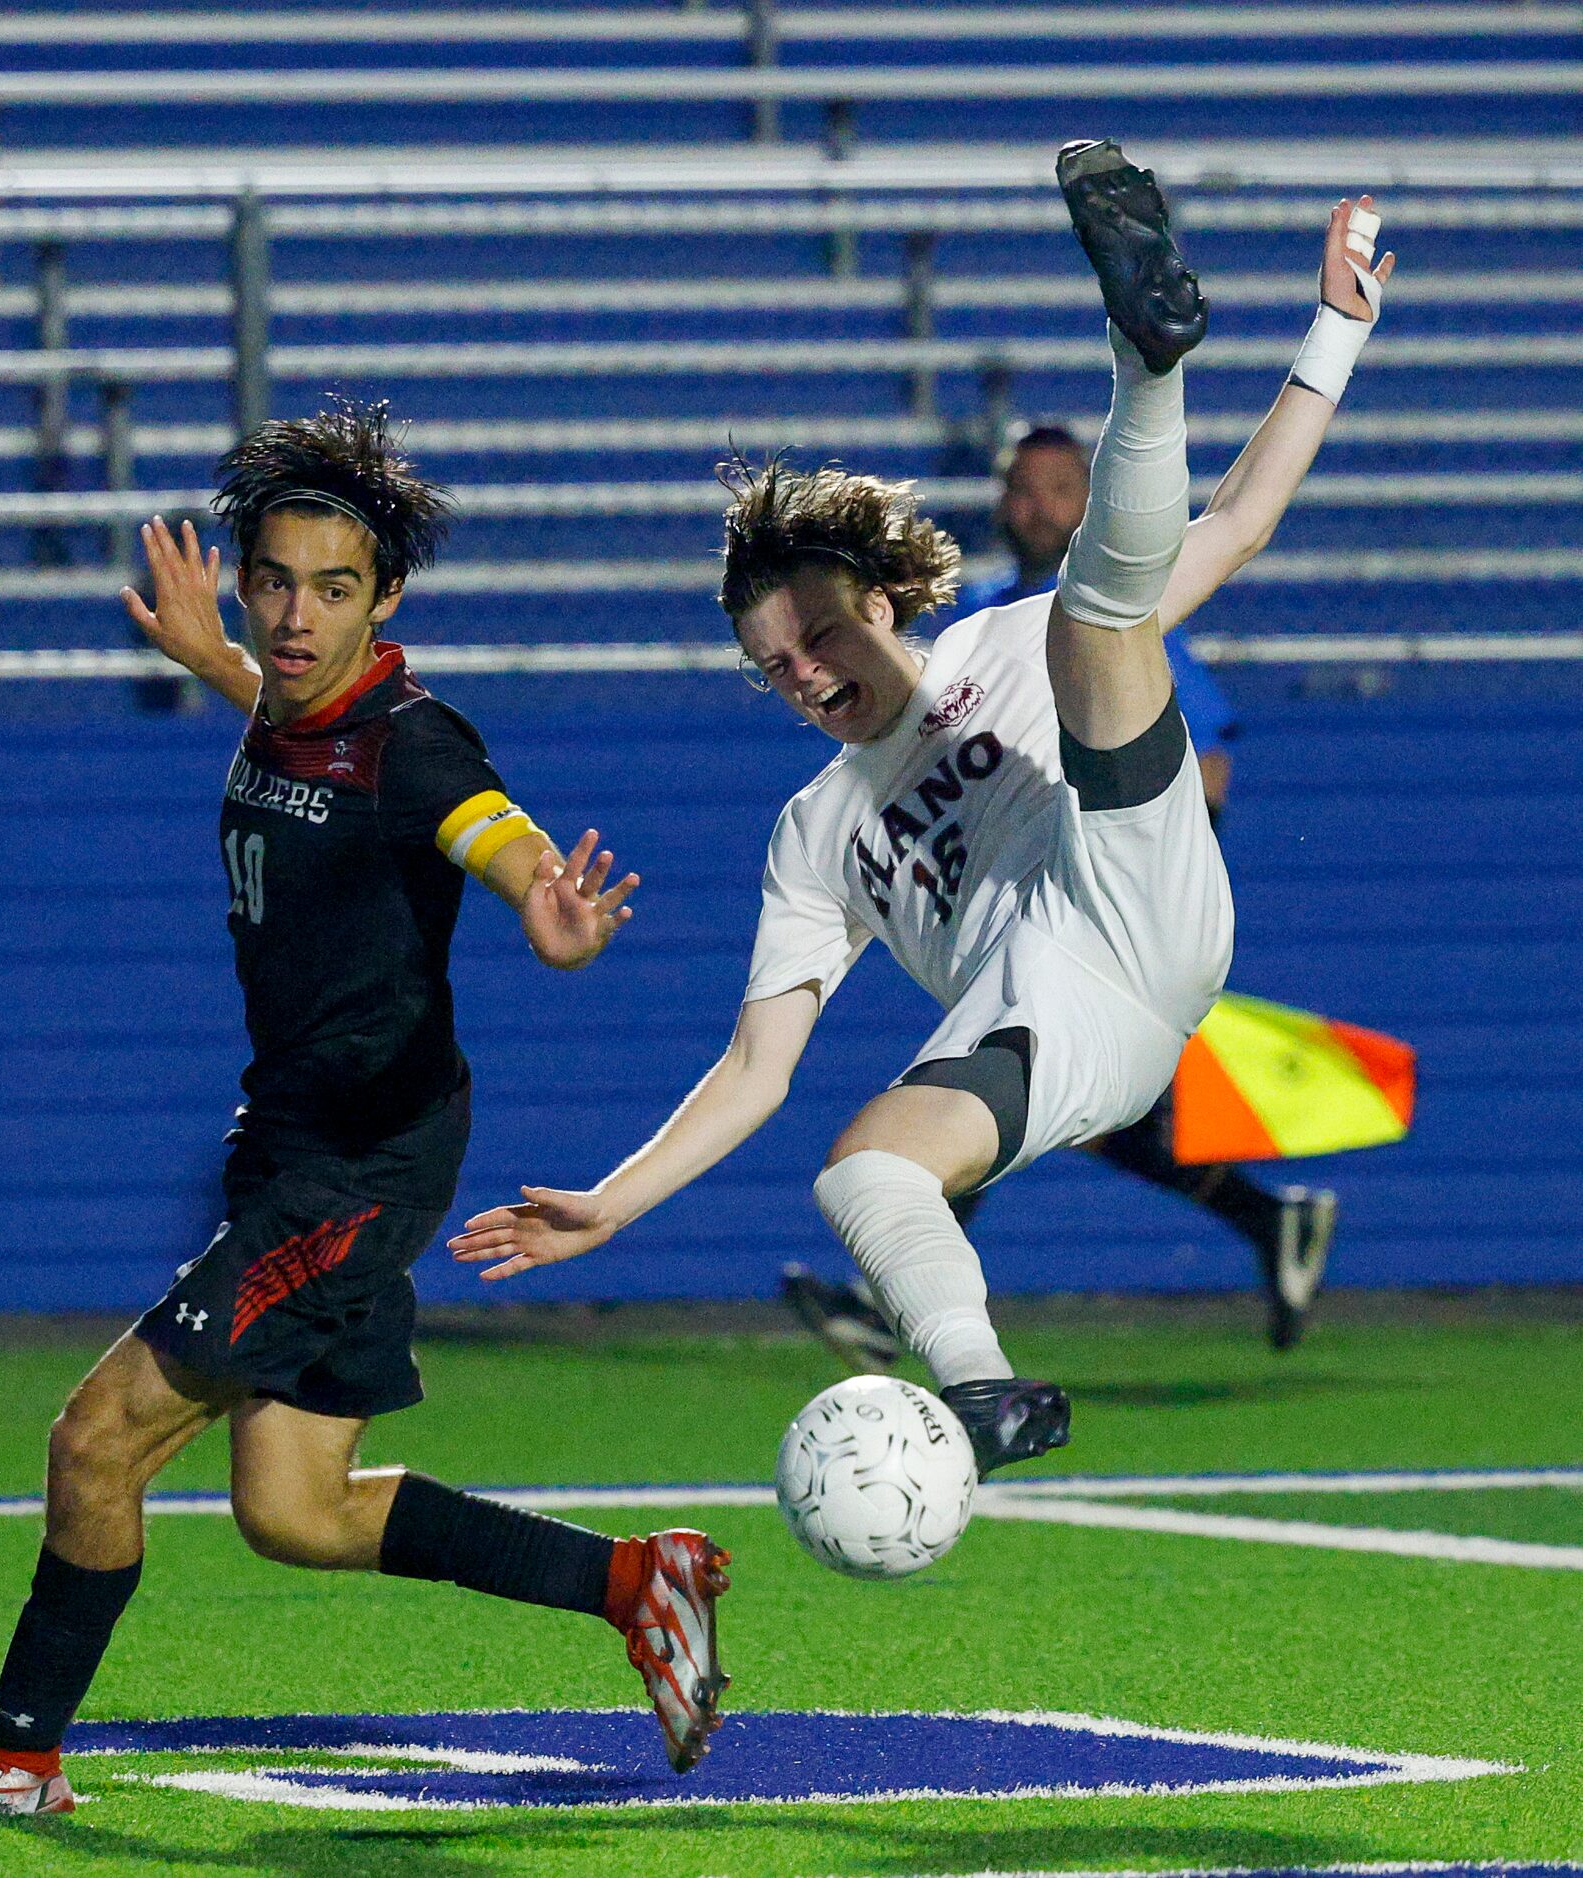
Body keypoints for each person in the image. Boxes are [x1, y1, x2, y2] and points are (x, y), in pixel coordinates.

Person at [449, 148, 1394, 1479]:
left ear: (880, 604)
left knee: (1093, 620)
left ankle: (1148, 363)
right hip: (1057, 1029)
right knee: (860, 1174)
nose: (807, 678)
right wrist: (610, 1202)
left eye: (821, 637)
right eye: (776, 669)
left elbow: (1233, 520)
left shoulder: (998, 646)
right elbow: (754, 1072)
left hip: (1129, 884)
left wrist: (1335, 332)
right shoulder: (813, 831)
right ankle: (987, 1392)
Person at [0, 403, 730, 1819]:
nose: (295, 615)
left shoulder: (414, 741)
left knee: (95, 1437)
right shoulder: (290, 701)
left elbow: (484, 827)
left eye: (334, 590)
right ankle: (640, 1579)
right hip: (297, 1141)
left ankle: (17, 1750)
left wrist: (545, 905)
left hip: (353, 1171)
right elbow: (288, 717)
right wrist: (214, 653)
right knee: (294, 1508)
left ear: (386, 601)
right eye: (275, 581)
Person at [782, 410, 1338, 1365]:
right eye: (1018, 487)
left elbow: (1199, 771)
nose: (1032, 506)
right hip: (1025, 917)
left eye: (1055, 489)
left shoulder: (1116, 606)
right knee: (1052, 1108)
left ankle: (902, 1304)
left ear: (1091, 501)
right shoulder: (982, 614)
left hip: (1114, 922)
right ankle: (1266, 1220)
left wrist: (1128, 895)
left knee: (1018, 1097)